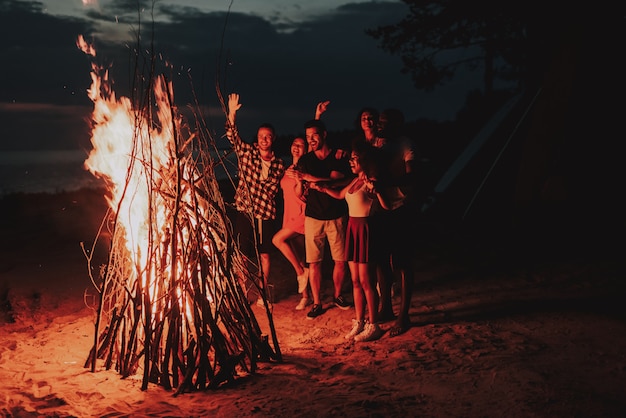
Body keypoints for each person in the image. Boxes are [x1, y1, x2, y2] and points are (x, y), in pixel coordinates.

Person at [309, 140, 388, 341]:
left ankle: (374, 324)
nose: (351, 161)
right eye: (351, 158)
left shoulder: (373, 181)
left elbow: (385, 206)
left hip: (365, 229)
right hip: (353, 228)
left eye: (354, 158)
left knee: (366, 281)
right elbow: (339, 195)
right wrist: (322, 189)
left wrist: (377, 190)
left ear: (365, 160)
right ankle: (359, 321)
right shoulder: (354, 181)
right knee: (354, 281)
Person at [225, 93, 286, 307]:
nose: (264, 139)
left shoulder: (278, 164)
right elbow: (233, 137)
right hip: (245, 211)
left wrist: (253, 187)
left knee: (265, 257)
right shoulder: (248, 153)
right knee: (242, 256)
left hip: (265, 214)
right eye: (261, 136)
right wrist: (232, 113)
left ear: (273, 139)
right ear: (257, 138)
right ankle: (243, 293)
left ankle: (262, 294)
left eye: (268, 136)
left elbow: (270, 190)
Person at [294, 118, 353, 319]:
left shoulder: (338, 156)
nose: (311, 140)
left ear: (324, 134)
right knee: (314, 262)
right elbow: (299, 191)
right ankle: (318, 302)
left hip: (336, 215)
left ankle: (338, 295)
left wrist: (312, 179)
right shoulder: (305, 161)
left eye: (315, 135)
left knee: (340, 260)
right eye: (308, 136)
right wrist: (299, 182)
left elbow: (339, 182)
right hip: (313, 217)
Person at [371, 107, 419, 336]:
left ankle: (404, 315)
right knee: (381, 259)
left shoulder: (405, 144)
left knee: (402, 262)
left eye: (385, 122)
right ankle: (386, 307)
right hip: (380, 207)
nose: (380, 125)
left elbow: (412, 174)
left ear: (397, 124)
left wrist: (388, 182)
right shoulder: (378, 144)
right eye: (379, 122)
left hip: (401, 207)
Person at [272, 136, 311, 310]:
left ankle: (300, 273)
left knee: (277, 240)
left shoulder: (305, 169)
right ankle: (306, 296)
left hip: (301, 215)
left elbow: (299, 193)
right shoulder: (288, 168)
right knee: (301, 256)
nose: (297, 147)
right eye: (294, 144)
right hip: (289, 215)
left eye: (301, 146)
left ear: (306, 149)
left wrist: (317, 116)